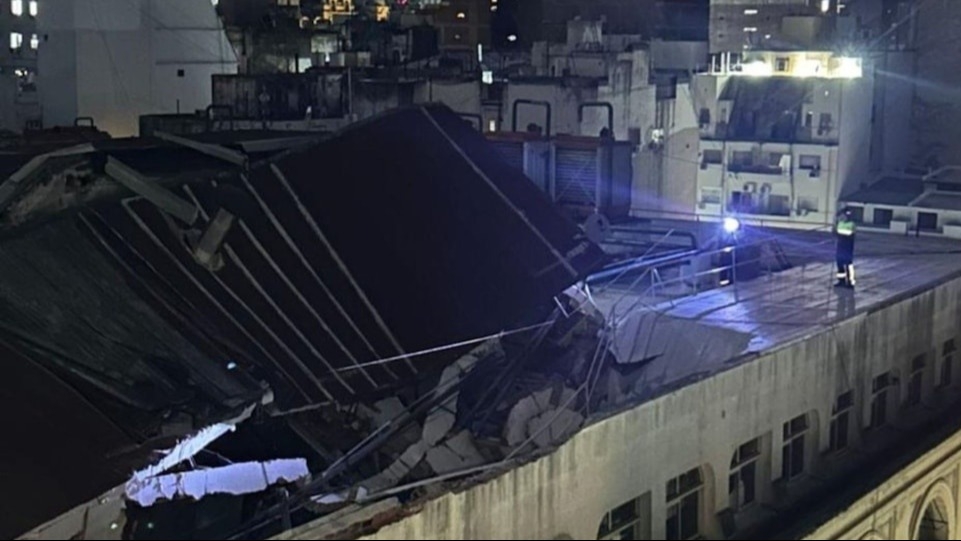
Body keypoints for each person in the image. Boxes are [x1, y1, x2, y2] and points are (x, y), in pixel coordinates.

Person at [835, 207, 857, 288]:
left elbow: (850, 235)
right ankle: (841, 281)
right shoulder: (840, 223)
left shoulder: (851, 224)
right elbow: (836, 233)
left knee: (848, 265)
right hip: (840, 247)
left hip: (847, 247)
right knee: (840, 264)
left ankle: (850, 282)